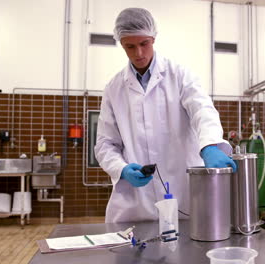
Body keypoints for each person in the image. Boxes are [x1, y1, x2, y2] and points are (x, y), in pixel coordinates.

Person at [95, 7, 237, 223]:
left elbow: (203, 111)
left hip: (185, 199)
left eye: (144, 44)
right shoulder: (114, 88)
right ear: (121, 44)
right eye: (130, 46)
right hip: (136, 208)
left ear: (153, 38)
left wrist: (209, 145)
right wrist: (122, 169)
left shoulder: (179, 75)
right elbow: (105, 143)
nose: (139, 53)